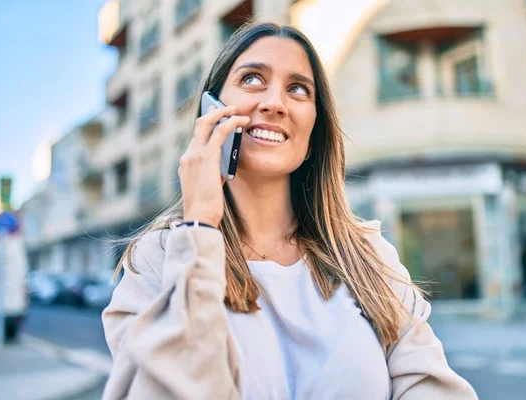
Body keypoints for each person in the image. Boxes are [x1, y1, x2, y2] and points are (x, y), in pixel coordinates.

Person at [101, 22, 478, 400]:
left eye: (298, 89)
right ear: (211, 109)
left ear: (314, 133)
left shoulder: (369, 255)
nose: (274, 103)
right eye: (252, 79)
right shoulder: (159, 256)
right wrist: (199, 227)